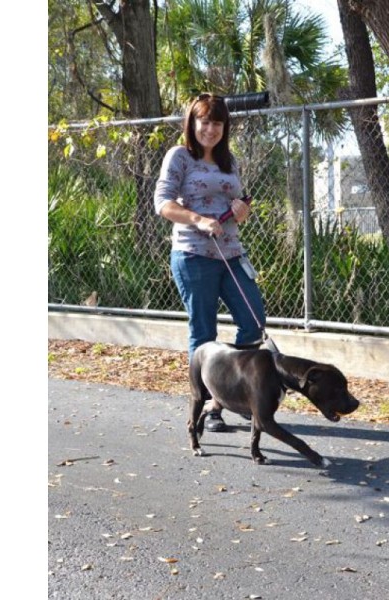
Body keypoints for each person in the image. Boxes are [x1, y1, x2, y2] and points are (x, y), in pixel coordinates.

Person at [154, 93, 266, 432]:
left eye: (218, 123)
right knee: (204, 334)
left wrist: (241, 211)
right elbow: (162, 204)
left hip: (231, 254)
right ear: (192, 122)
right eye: (205, 121)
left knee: (253, 322)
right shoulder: (179, 157)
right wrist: (198, 220)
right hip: (193, 256)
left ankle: (226, 399)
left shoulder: (229, 160)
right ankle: (203, 412)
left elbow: (235, 208)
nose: (211, 129)